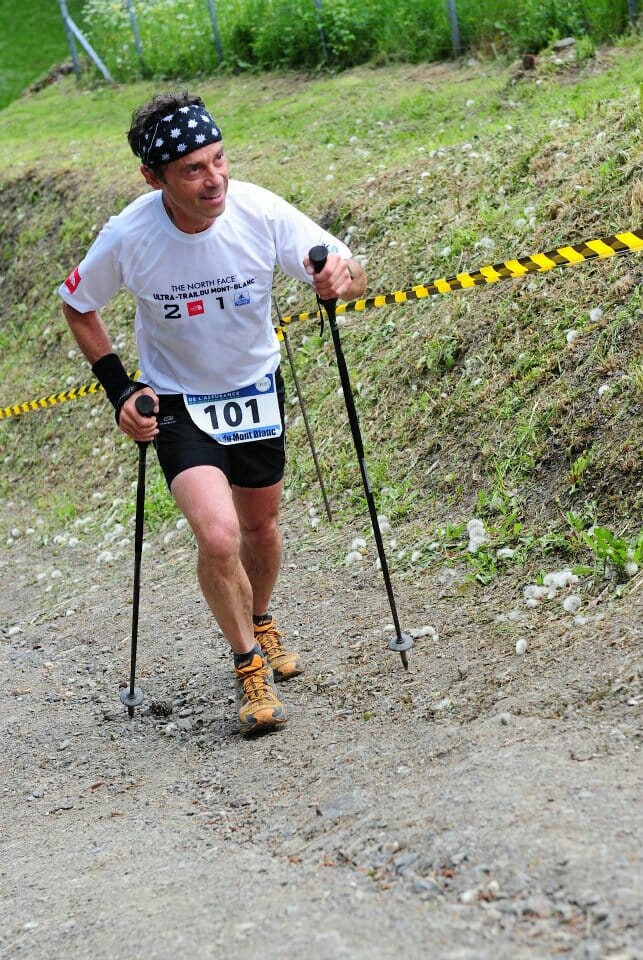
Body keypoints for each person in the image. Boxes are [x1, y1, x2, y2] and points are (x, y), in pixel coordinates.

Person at [59, 91, 367, 735]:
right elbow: (78, 304)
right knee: (219, 535)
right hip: (177, 403)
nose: (214, 179)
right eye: (193, 169)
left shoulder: (258, 210)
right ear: (154, 177)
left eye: (220, 159)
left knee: (260, 528)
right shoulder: (129, 235)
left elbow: (346, 269)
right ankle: (248, 663)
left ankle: (262, 617)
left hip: (255, 389)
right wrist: (121, 391)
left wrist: (339, 278)